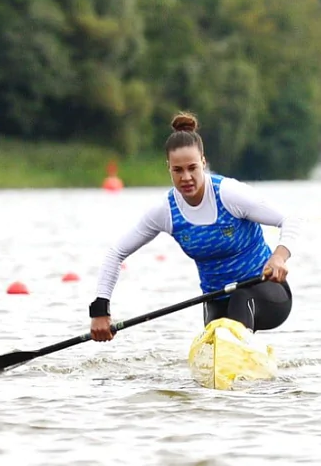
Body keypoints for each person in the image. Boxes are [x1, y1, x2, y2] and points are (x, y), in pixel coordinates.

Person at [88, 111, 302, 341]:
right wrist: (100, 310)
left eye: (192, 168)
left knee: (241, 299)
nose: (186, 177)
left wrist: (279, 257)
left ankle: (240, 352)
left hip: (266, 292)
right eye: (177, 170)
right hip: (216, 300)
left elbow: (291, 219)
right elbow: (116, 253)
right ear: (168, 168)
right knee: (216, 335)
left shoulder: (229, 194)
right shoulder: (165, 211)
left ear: (203, 163)